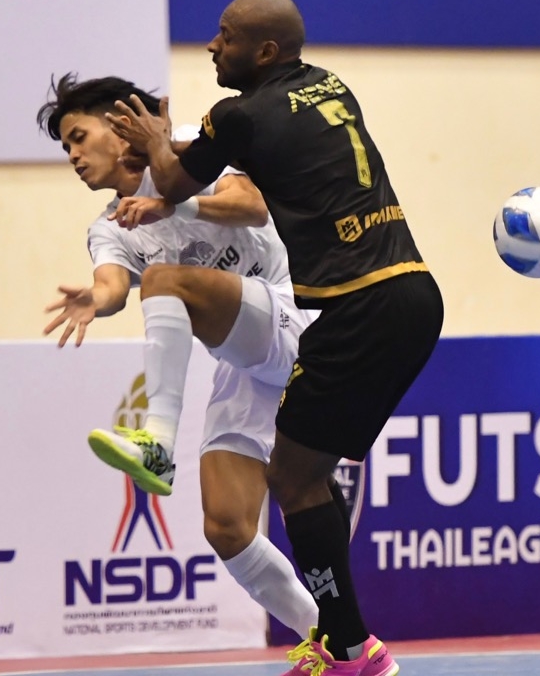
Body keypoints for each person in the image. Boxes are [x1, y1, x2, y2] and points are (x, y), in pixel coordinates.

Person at [108, 0, 444, 676]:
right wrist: (170, 150)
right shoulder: (330, 86)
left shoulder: (239, 114)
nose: (212, 46)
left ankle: (348, 650)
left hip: (355, 306)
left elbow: (172, 180)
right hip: (415, 296)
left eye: (226, 36)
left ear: (264, 51)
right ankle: (348, 646)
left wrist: (157, 143)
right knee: (303, 474)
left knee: (294, 477)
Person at [36, 72, 325, 639]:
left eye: (78, 137)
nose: (72, 156)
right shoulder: (109, 228)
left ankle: (158, 443)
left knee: (164, 279)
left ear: (120, 124)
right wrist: (95, 299)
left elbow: (252, 206)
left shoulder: (190, 150)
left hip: (295, 322)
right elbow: (113, 286)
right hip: (244, 364)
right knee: (226, 526)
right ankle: (336, 642)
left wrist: (174, 206)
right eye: (66, 147)